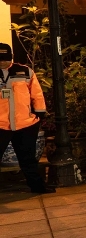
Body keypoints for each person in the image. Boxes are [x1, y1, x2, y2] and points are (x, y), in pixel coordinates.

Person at [0, 42, 52, 193]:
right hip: (1, 125)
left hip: (25, 124)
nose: (3, 62)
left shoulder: (25, 71)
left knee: (28, 159)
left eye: (6, 58)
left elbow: (37, 94)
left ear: (11, 57)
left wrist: (39, 114)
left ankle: (38, 188)